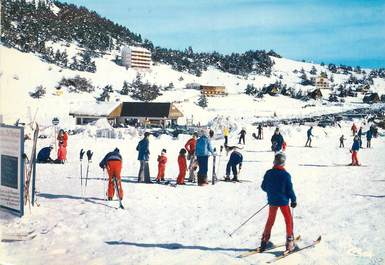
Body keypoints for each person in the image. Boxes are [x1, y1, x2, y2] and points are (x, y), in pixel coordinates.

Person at [259, 153, 297, 252]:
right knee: (288, 220)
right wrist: (293, 199)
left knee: (270, 220)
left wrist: (272, 192)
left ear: (274, 162)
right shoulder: (286, 175)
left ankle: (264, 241)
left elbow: (263, 187)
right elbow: (289, 190)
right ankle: (289, 243)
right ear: (283, 163)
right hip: (283, 202)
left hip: (272, 201)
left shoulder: (268, 173)